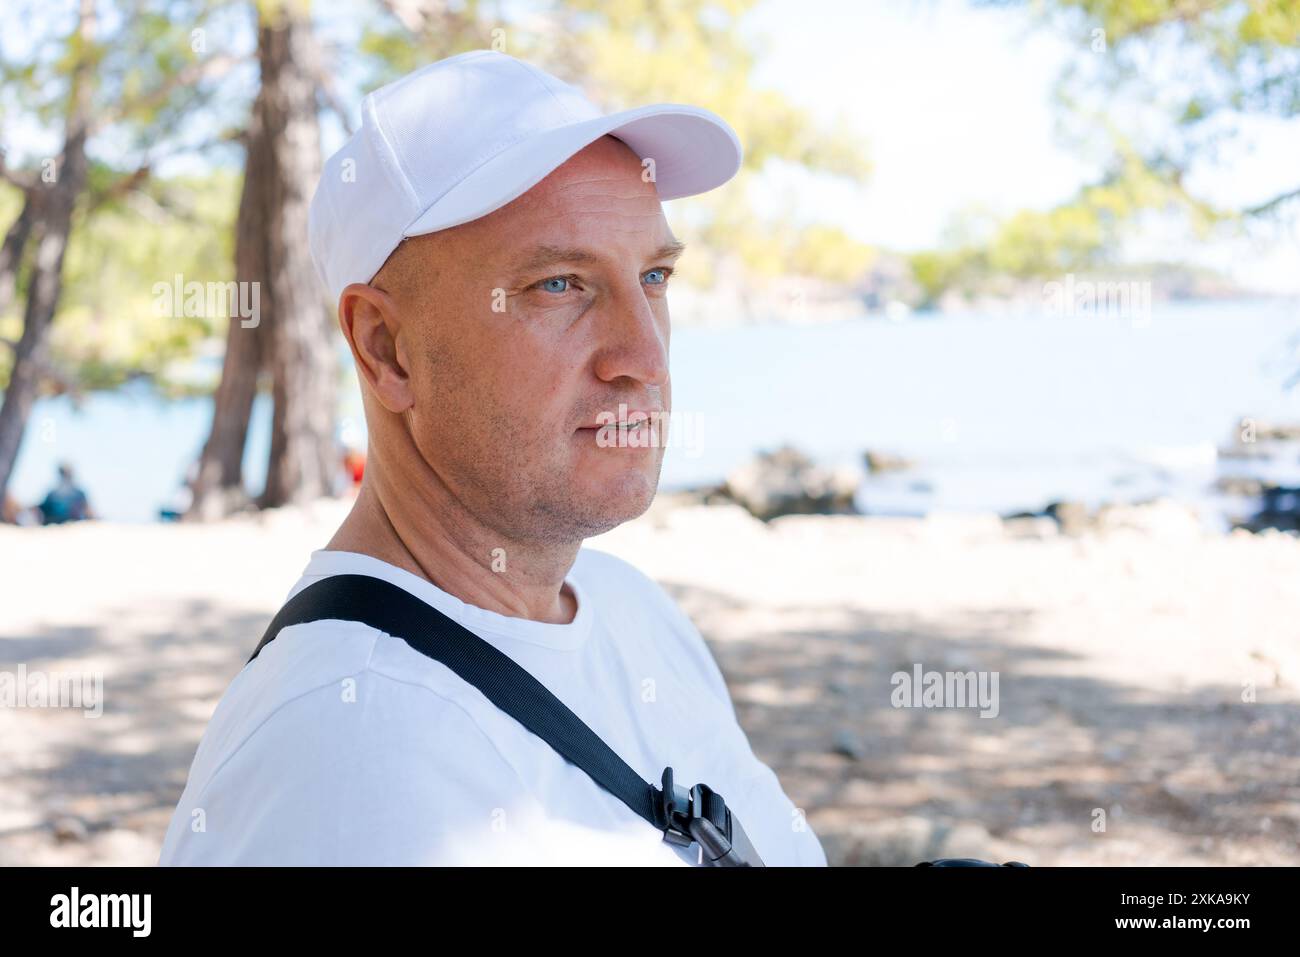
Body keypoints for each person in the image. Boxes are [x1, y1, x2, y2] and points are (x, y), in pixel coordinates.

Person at [160, 51, 826, 866]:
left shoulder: (627, 611)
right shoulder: (346, 754)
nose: (643, 356)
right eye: (559, 285)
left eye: (653, 274)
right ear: (386, 349)